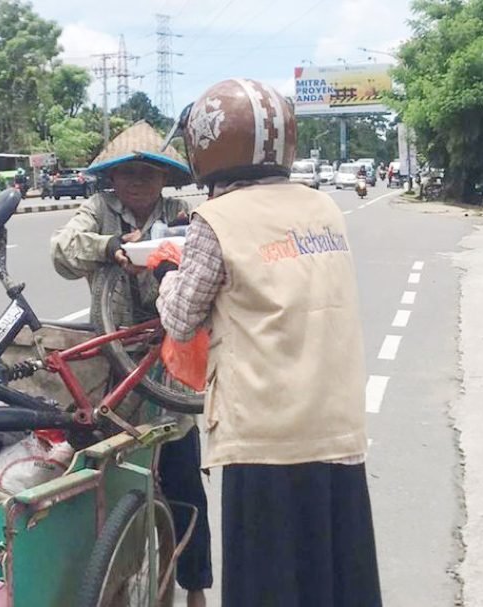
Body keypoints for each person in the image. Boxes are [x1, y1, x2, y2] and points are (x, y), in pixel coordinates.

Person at [155, 78, 381, 607]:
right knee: (333, 573)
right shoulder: (324, 209)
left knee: (268, 582)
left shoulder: (216, 221)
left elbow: (182, 317)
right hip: (335, 425)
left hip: (265, 432)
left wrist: (168, 274)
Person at [50, 120, 213, 607]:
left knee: (184, 479)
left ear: (165, 178)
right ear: (113, 178)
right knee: (113, 485)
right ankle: (116, 588)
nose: (138, 180)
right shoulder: (97, 210)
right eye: (128, 172)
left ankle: (196, 588)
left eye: (149, 172)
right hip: (113, 368)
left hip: (171, 367)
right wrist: (109, 247)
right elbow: (60, 252)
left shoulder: (183, 213)